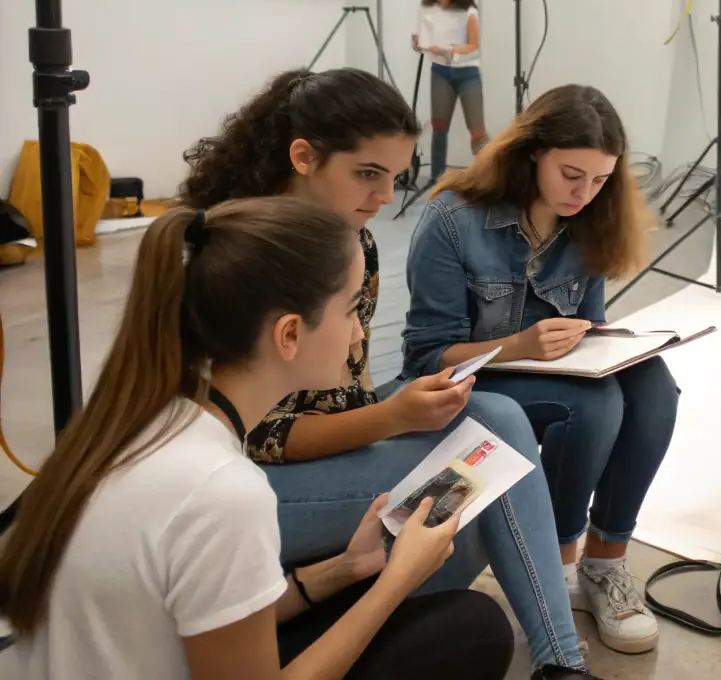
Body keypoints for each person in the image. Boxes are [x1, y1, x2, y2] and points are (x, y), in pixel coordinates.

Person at [178, 67, 595, 680]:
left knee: (491, 429)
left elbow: (345, 392)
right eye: (368, 174)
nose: (385, 196)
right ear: (303, 157)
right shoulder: (248, 255)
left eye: (396, 177)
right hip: (246, 481)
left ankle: (549, 658)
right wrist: (394, 418)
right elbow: (257, 436)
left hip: (319, 453)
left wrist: (401, 411)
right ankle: (554, 664)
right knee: (485, 476)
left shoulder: (353, 240)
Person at [0, 197, 514, 680]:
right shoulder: (224, 492)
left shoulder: (142, 417)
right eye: (351, 309)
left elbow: (206, 618)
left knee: (448, 617)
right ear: (289, 334)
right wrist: (398, 579)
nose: (360, 334)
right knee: (472, 629)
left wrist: (343, 569)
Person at [400, 84, 676, 655]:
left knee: (654, 386)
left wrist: (610, 346)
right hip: (471, 384)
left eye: (600, 180)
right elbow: (426, 359)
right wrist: (518, 346)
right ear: (531, 152)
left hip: (550, 374)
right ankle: (558, 566)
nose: (585, 193)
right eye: (572, 175)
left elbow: (592, 332)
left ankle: (605, 565)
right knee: (593, 405)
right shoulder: (453, 218)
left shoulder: (590, 220)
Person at [411, 0, 487, 179]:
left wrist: (449, 50)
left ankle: (487, 175)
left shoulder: (468, 12)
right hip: (440, 71)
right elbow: (426, 40)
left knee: (477, 130)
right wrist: (418, 43)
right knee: (439, 127)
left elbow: (473, 46)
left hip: (467, 73)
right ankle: (437, 177)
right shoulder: (428, 9)